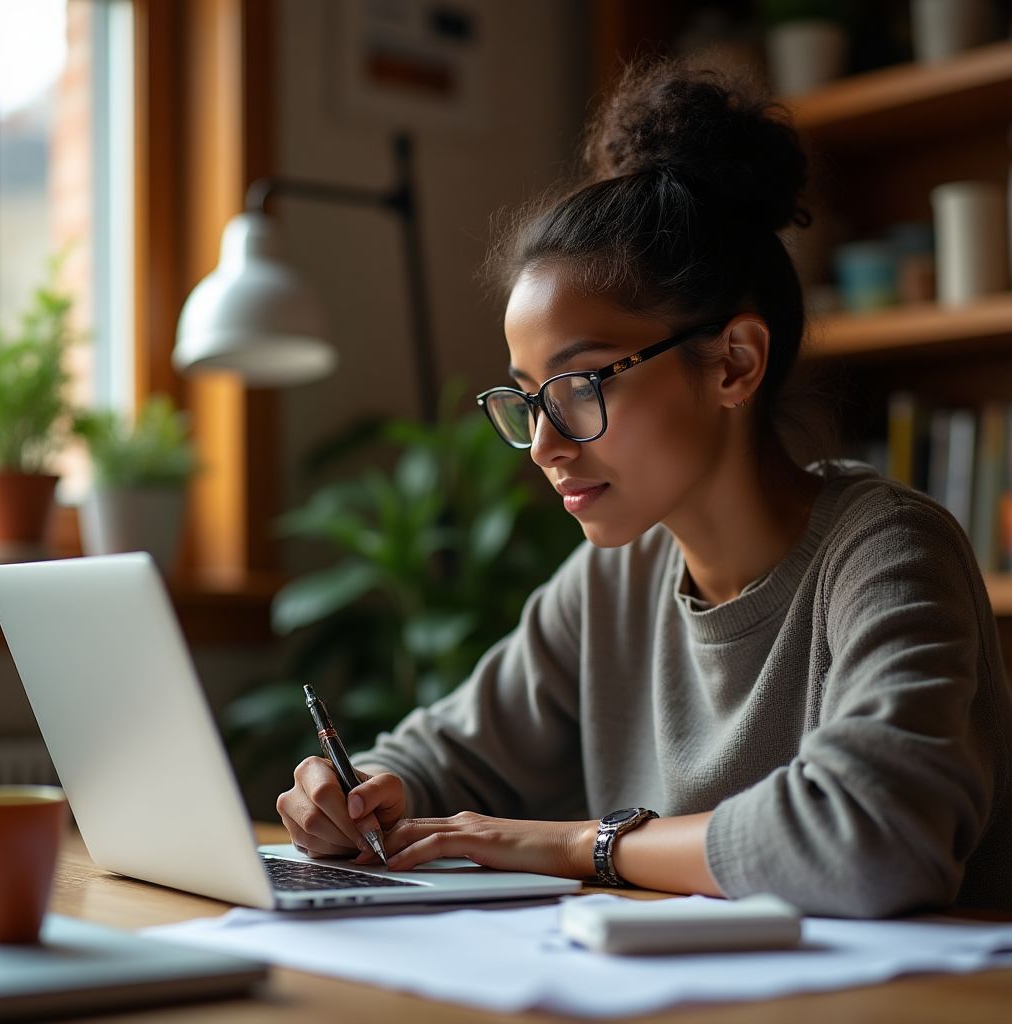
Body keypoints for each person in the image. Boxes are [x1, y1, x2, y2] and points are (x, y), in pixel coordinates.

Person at [276, 59, 1012, 917]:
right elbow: (440, 757)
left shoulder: (886, 553)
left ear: (734, 362)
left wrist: (574, 843)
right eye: (527, 398)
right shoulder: (610, 584)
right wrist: (358, 792)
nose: (544, 444)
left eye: (582, 385)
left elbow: (872, 839)